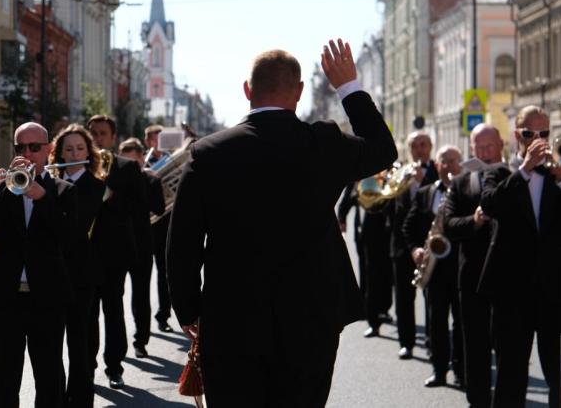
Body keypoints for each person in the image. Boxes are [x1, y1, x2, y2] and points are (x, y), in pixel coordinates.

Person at [167, 40, 397, 406]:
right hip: (311, 317)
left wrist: (188, 309)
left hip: (232, 317)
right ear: (300, 91)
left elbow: (183, 242)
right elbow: (383, 150)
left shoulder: (208, 152)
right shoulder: (324, 142)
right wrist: (348, 87)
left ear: (247, 89)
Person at [479, 106, 561, 408]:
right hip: (513, 290)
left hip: (558, 289)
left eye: (544, 133)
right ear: (517, 135)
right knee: (510, 374)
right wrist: (525, 170)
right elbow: (490, 205)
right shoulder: (499, 173)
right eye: (531, 133)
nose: (538, 139)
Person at [0, 122, 78, 408]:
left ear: (48, 150)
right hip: (4, 296)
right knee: (4, 378)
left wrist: (42, 197)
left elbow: (69, 236)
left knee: (49, 376)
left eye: (34, 147)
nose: (27, 153)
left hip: (47, 296)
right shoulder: (0, 188)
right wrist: (11, 189)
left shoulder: (64, 190)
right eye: (20, 147)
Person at [444, 123, 504, 408]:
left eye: (489, 146)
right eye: (479, 148)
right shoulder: (460, 183)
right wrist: (475, 221)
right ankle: (478, 401)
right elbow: (449, 225)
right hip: (472, 278)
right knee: (476, 346)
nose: (485, 153)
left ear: (501, 145)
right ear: (471, 149)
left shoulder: (515, 176)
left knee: (507, 348)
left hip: (507, 278)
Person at [87, 115, 148, 389]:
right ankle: (87, 367)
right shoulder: (81, 165)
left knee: (113, 311)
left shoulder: (126, 167)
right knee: (87, 315)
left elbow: (139, 209)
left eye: (103, 133)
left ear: (113, 137)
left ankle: (114, 367)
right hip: (86, 253)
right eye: (93, 133)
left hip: (114, 253)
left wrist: (112, 196)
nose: (98, 138)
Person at [50, 124, 105, 408]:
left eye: (79, 149)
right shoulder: (48, 183)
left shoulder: (96, 186)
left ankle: (81, 400)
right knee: (50, 345)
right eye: (68, 149)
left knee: (79, 342)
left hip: (81, 273)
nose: (74, 154)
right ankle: (56, 398)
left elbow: (77, 223)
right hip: (51, 271)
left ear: (88, 153)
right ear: (59, 153)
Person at [403, 145, 464, 388]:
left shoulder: (467, 190)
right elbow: (408, 226)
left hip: (460, 267)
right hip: (434, 268)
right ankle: (439, 370)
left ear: (461, 164)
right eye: (444, 161)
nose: (448, 165)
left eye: (453, 160)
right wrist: (415, 249)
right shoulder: (425, 193)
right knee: (436, 323)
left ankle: (461, 371)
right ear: (436, 165)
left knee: (461, 323)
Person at [391, 130, 437, 360]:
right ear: (409, 150)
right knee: (403, 298)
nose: (419, 149)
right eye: (415, 146)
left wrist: (421, 181)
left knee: (432, 299)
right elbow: (393, 209)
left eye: (423, 144)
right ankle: (406, 343)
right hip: (403, 246)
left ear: (430, 147)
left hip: (431, 245)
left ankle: (432, 342)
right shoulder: (400, 173)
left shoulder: (438, 171)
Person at [119, 137, 166, 358]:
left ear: (141, 159)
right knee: (114, 299)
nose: (129, 166)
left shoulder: (150, 179)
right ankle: (116, 348)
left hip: (142, 244)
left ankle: (140, 341)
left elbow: (159, 209)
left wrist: (145, 185)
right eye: (125, 161)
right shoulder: (114, 180)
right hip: (118, 244)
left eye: (133, 161)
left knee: (141, 295)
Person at [338, 180, 394, 337]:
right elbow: (346, 200)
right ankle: (371, 317)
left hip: (385, 233)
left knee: (386, 274)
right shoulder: (358, 179)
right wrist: (342, 218)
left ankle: (383, 308)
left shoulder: (385, 176)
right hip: (364, 235)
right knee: (368, 275)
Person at [144, 124, 175, 332]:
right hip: (148, 224)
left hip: (166, 222)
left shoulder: (173, 160)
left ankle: (163, 315)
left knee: (165, 271)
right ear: (148, 141)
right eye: (155, 139)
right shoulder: (142, 162)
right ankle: (143, 324)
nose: (159, 142)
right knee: (144, 276)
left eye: (162, 138)